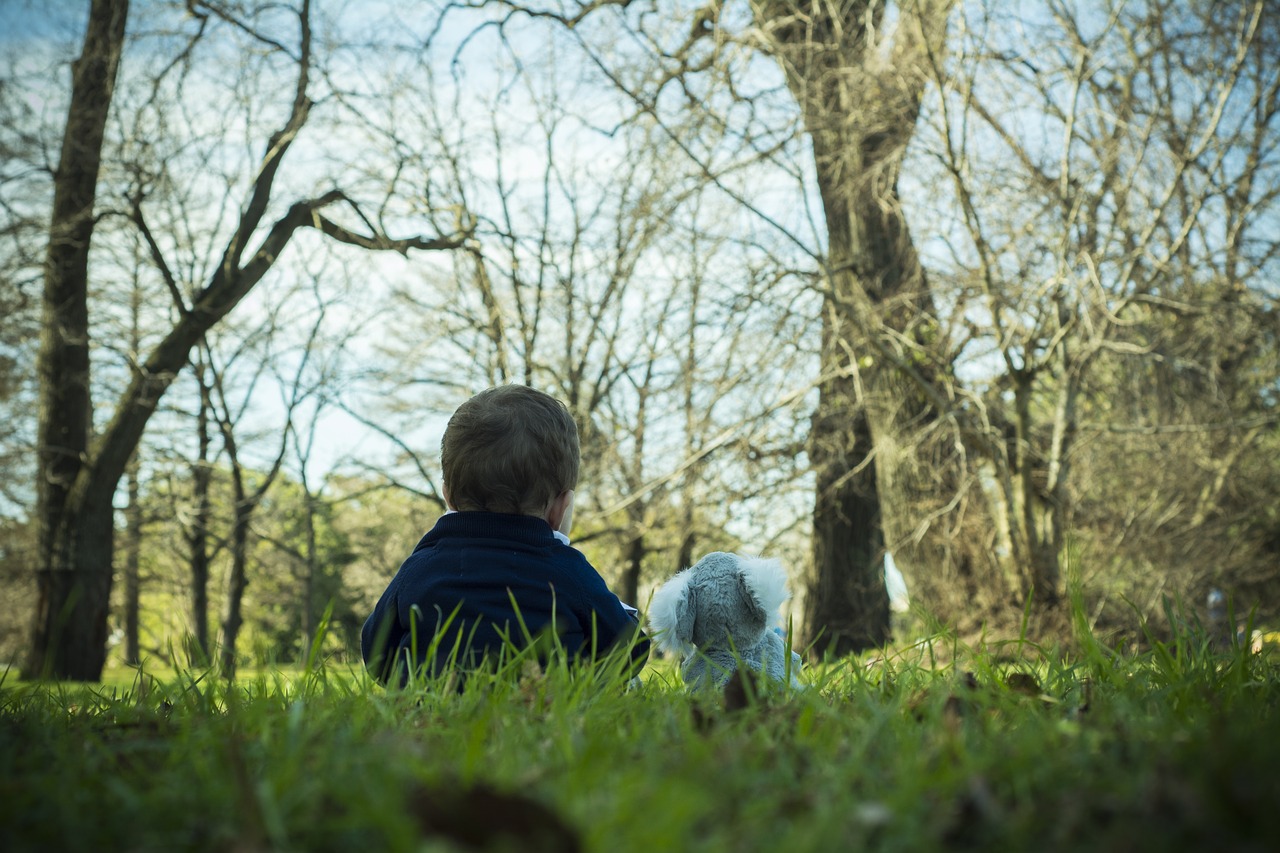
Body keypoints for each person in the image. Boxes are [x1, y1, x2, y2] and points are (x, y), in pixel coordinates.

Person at [361, 384, 648, 686]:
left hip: (428, 720)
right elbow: (630, 651)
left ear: (447, 495)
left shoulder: (420, 568)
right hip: (547, 718)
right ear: (561, 507)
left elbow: (375, 652)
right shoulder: (568, 571)